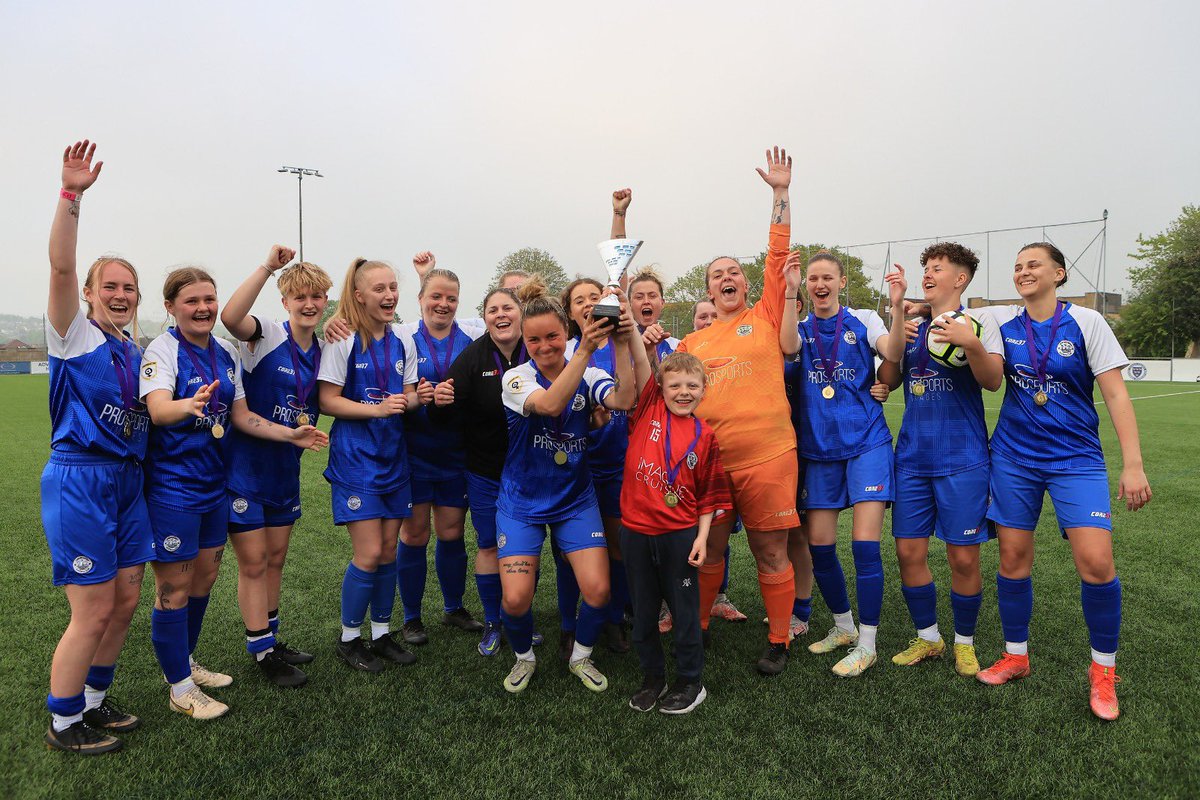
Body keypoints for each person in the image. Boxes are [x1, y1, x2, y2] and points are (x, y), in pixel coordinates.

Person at [972, 242, 1150, 720]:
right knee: (1012, 557)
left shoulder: (1089, 323)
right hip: (1013, 457)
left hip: (1076, 458)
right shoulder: (1001, 323)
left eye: (1033, 265)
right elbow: (980, 362)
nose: (1023, 272)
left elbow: (1115, 395)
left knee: (1095, 561)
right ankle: (1016, 655)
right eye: (1017, 267)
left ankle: (1103, 672)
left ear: (1059, 273)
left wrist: (1131, 464)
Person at [41, 140, 152, 753]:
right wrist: (71, 196)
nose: (120, 293)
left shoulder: (135, 351)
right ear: (88, 293)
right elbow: (60, 266)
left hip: (127, 481)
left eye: (129, 287)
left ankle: (93, 701)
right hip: (81, 477)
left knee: (127, 597)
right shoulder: (73, 335)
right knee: (91, 607)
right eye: (109, 285)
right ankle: (64, 724)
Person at [675, 146, 800, 676]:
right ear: (706, 290)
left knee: (772, 552)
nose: (726, 278)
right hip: (713, 466)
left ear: (746, 284)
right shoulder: (693, 340)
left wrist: (779, 194)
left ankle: (778, 640)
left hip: (768, 456)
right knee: (710, 552)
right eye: (715, 275)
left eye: (733, 272)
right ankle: (697, 629)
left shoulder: (766, 315)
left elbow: (777, 254)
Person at [495, 277, 637, 694]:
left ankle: (581, 656)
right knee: (516, 600)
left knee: (598, 589)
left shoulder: (590, 373)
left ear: (566, 334)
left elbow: (625, 401)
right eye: (534, 339)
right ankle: (524, 657)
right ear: (524, 339)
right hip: (522, 502)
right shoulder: (515, 379)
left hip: (575, 500)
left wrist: (624, 343)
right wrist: (587, 349)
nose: (544, 347)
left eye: (553, 337)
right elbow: (552, 403)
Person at [875, 243, 1003, 678]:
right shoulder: (911, 326)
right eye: (925, 268)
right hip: (911, 458)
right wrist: (898, 318)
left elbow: (992, 382)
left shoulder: (978, 323)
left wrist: (971, 345)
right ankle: (928, 637)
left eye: (937, 269)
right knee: (909, 552)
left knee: (963, 558)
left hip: (963, 460)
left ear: (960, 279)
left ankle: (964, 644)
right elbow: (888, 380)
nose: (928, 274)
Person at [779, 247, 907, 678]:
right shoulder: (800, 327)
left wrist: (894, 308)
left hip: (866, 443)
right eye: (812, 278)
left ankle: (868, 643)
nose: (819, 284)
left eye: (826, 278)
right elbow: (786, 346)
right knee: (820, 548)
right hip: (819, 451)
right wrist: (788, 290)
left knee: (865, 546)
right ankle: (843, 626)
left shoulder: (863, 321)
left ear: (841, 282)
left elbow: (891, 349)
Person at [220, 245, 336, 686]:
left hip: (284, 468)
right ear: (284, 301)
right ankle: (261, 651)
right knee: (253, 562)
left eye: (317, 297)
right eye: (300, 297)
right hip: (246, 469)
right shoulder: (265, 334)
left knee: (276, 560)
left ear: (326, 301)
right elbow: (231, 317)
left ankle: (270, 635)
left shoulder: (326, 346)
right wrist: (269, 267)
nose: (309, 305)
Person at [318, 258, 422, 673]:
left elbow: (409, 395)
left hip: (394, 458)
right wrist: (376, 409)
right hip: (356, 460)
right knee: (368, 553)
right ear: (359, 295)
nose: (389, 295)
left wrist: (414, 398)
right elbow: (327, 401)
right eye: (379, 288)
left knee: (389, 552)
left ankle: (381, 633)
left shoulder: (403, 341)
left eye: (393, 287)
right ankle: (349, 638)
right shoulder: (342, 340)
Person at [621, 350, 732, 714]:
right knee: (644, 611)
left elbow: (708, 497)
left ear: (703, 390)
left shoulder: (705, 436)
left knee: (685, 612)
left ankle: (690, 681)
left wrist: (701, 538)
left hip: (681, 535)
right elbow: (640, 358)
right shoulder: (646, 412)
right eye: (675, 385)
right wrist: (627, 312)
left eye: (692, 386)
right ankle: (653, 678)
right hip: (636, 534)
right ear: (660, 389)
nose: (683, 392)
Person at [429, 285, 531, 655]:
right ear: (485, 317)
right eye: (492, 310)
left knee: (525, 548)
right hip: (486, 470)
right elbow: (447, 408)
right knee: (488, 544)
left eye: (507, 308)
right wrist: (439, 402)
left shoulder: (537, 348)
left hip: (532, 472)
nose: (500, 315)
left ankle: (520, 618)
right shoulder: (473, 357)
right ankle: (493, 622)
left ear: (521, 312)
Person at [394, 253, 486, 645]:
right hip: (414, 452)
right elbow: (390, 387)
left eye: (450, 297)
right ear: (421, 299)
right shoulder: (403, 338)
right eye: (436, 296)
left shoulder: (471, 341)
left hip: (454, 453)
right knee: (414, 534)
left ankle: (453, 608)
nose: (443, 304)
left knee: (450, 533)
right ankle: (412, 617)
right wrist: (416, 395)